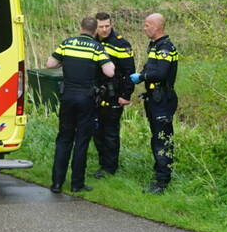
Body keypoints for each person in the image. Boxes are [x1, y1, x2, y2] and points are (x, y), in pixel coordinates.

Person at [45, 17, 114, 194]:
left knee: (64, 139)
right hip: (86, 99)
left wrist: (64, 62)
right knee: (81, 141)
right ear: (95, 31)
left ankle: (57, 183)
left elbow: (50, 64)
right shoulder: (96, 47)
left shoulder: (67, 43)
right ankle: (77, 184)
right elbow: (109, 71)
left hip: (67, 97)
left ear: (80, 28)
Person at [129, 13, 179, 194]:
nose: (144, 28)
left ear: (157, 27)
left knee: (162, 140)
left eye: (147, 25)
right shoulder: (154, 45)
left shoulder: (165, 47)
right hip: (154, 98)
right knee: (156, 137)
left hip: (163, 99)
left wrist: (142, 77)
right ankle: (159, 173)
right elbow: (151, 67)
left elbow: (161, 73)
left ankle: (162, 182)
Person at [92, 12, 135, 178]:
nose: (104, 30)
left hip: (114, 94)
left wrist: (126, 95)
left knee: (110, 133)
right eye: (100, 27)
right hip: (96, 94)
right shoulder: (93, 41)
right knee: (97, 132)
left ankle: (109, 168)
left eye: (107, 26)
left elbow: (129, 72)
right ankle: (102, 163)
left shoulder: (121, 44)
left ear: (111, 24)